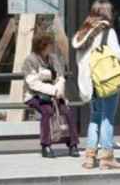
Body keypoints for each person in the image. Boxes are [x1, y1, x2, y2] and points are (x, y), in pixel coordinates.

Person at [73, 0, 120, 170]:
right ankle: (107, 156)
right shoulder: (107, 32)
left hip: (89, 83)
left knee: (95, 118)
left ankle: (89, 157)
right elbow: (118, 55)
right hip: (105, 81)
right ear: (107, 13)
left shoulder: (83, 32)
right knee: (107, 118)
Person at [23, 31, 79, 159]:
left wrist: (58, 91)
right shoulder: (30, 60)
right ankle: (46, 145)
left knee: (67, 111)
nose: (51, 46)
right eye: (49, 44)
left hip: (55, 94)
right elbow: (33, 83)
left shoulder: (53, 58)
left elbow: (60, 77)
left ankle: (73, 144)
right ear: (42, 45)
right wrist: (53, 90)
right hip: (35, 95)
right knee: (47, 111)